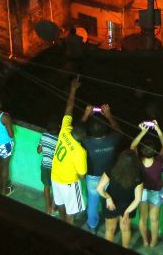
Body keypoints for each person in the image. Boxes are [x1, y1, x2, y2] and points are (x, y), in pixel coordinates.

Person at [51, 76, 88, 224]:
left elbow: (68, 109)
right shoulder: (80, 151)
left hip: (55, 177)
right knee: (71, 214)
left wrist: (73, 89)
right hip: (69, 184)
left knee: (61, 206)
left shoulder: (65, 130)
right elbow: (81, 176)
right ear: (84, 136)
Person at [80, 103, 121, 233]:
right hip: (109, 177)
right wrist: (109, 116)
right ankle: (112, 225)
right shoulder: (112, 140)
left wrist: (86, 115)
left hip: (92, 177)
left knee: (92, 203)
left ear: (90, 131)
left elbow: (76, 131)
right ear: (106, 129)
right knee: (109, 200)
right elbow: (118, 130)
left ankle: (92, 227)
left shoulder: (86, 141)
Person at [131, 120, 163, 248]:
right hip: (156, 192)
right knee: (154, 219)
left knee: (143, 218)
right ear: (154, 151)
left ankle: (145, 242)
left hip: (142, 192)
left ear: (142, 151)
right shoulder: (159, 161)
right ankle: (153, 242)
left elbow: (132, 147)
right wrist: (158, 129)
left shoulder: (138, 161)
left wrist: (142, 132)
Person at [96, 150, 143, 248]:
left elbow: (99, 188)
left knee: (110, 229)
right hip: (128, 205)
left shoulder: (112, 167)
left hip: (111, 204)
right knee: (125, 229)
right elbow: (138, 199)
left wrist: (108, 198)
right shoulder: (138, 174)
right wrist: (126, 212)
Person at [36, 115, 59, 214]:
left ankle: (48, 207)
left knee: (46, 186)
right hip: (54, 167)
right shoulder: (58, 139)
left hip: (44, 165)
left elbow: (39, 150)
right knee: (55, 188)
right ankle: (54, 208)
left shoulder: (44, 135)